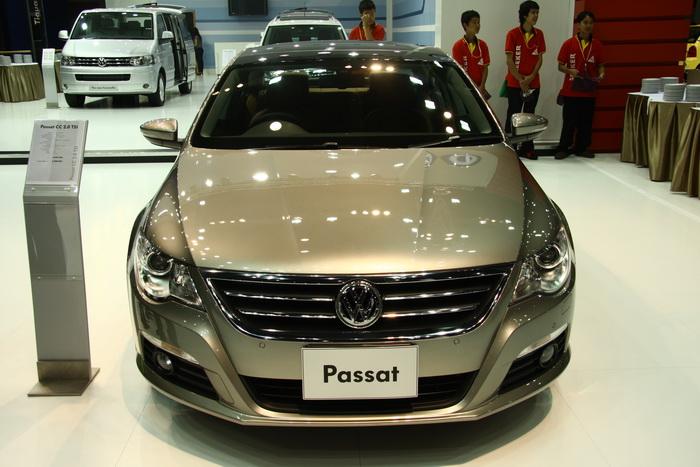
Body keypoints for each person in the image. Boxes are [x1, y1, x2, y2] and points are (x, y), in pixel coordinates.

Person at [554, 11, 605, 159]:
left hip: (589, 90)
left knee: (586, 121)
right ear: (579, 25)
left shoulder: (597, 45)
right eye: (585, 22)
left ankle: (581, 148)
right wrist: (570, 70)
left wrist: (601, 74)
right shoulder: (569, 43)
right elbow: (560, 66)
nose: (588, 26)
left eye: (591, 23)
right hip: (571, 90)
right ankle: (563, 148)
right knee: (569, 121)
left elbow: (601, 65)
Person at [504, 1, 546, 160]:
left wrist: (531, 77)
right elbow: (509, 60)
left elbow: (540, 59)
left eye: (537, 12)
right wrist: (521, 80)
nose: (536, 15)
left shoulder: (539, 34)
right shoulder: (513, 34)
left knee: (530, 116)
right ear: (524, 15)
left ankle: (527, 148)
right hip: (515, 83)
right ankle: (510, 148)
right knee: (513, 115)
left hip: (533, 83)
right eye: (533, 12)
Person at [452, 10, 491, 99]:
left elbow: (485, 68)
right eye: (474, 22)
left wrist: (482, 86)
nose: (477, 25)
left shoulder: (483, 45)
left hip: (480, 88)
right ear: (465, 25)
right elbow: (459, 71)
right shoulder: (458, 46)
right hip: (464, 88)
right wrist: (471, 88)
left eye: (478, 22)